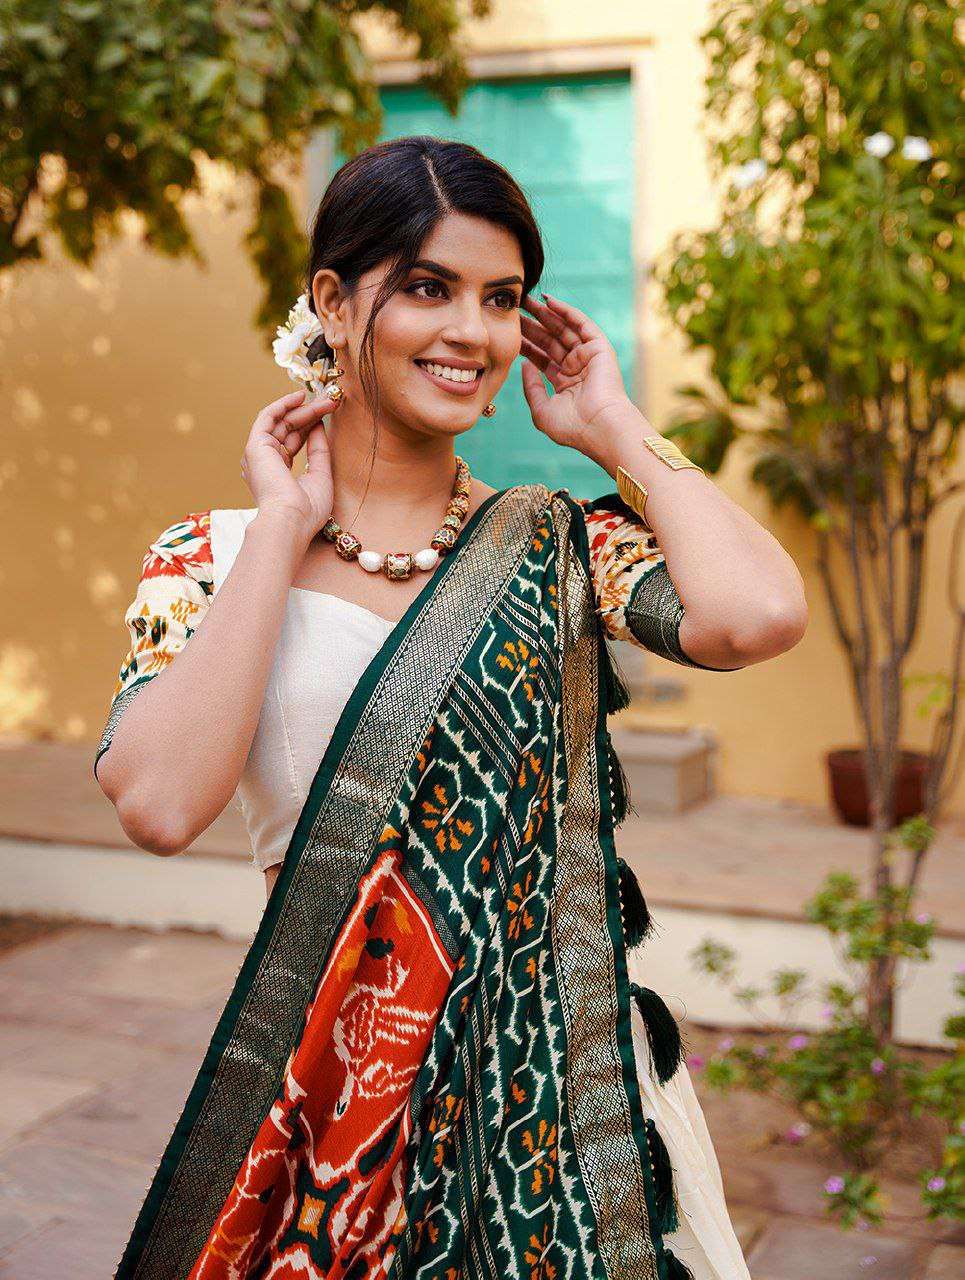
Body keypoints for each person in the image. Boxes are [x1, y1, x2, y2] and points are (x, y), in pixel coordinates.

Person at [94, 136, 807, 1280]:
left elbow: (759, 613)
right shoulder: (210, 557)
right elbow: (160, 805)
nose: (471, 331)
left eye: (501, 298)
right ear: (333, 302)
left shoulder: (559, 544)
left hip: (550, 1103)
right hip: (341, 1103)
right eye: (428, 287)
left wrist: (614, 428)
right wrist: (279, 529)